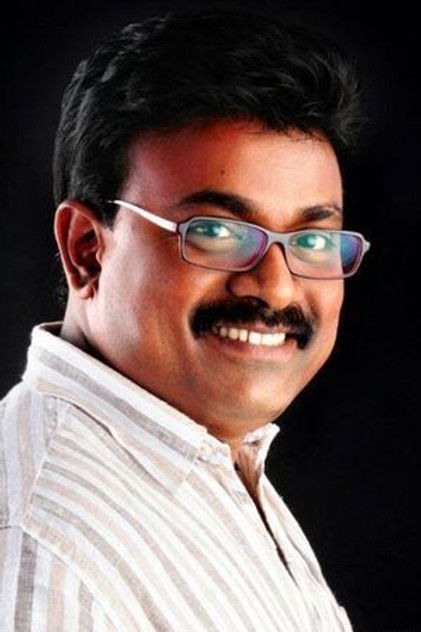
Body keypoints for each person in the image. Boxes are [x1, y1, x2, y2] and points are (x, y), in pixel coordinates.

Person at [0, 9, 371, 631]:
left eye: (311, 241)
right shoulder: (45, 553)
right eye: (217, 233)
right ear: (87, 250)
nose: (277, 287)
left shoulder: (213, 459)